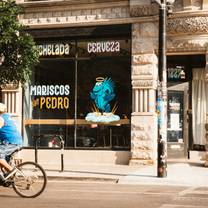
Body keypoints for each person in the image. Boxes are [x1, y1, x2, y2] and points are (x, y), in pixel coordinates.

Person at [0, 103, 23, 179]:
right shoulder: (9, 117)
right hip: (17, 142)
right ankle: (6, 177)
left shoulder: (1, 118)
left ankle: (11, 170)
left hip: (11, 142)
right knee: (3, 159)